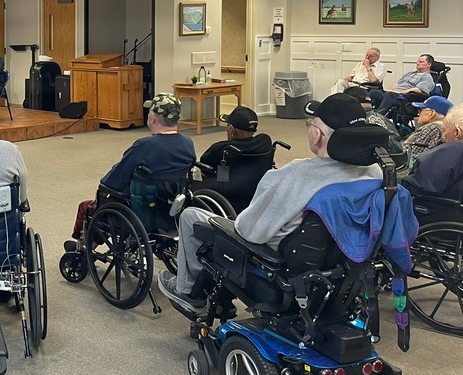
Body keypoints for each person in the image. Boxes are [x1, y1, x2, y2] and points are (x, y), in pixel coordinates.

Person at [159, 93, 383, 315]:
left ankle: (189, 293)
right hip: (338, 268)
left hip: (276, 270)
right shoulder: (377, 173)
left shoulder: (295, 175)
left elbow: (248, 231)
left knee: (191, 216)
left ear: (316, 135)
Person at [71, 92, 195, 240]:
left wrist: (104, 188)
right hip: (171, 211)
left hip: (143, 211)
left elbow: (115, 180)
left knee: (88, 207)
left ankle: (84, 248)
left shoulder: (145, 146)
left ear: (153, 118)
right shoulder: (188, 143)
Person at [401, 105, 463, 201]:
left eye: (445, 130)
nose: (442, 136)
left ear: (457, 133)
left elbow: (419, 186)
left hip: (440, 211)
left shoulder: (452, 151)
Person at [370, 54, 435, 112]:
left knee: (390, 95)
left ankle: (379, 115)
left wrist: (400, 92)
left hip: (404, 97)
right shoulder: (409, 74)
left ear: (429, 64)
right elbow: (397, 84)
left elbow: (418, 90)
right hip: (393, 94)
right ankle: (367, 113)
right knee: (374, 92)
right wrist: (389, 90)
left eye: (421, 62)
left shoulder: (427, 77)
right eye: (418, 61)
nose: (418, 63)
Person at [403, 95, 453, 160]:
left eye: (420, 111)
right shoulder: (446, 126)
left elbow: (413, 157)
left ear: (431, 113)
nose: (418, 114)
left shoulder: (432, 128)